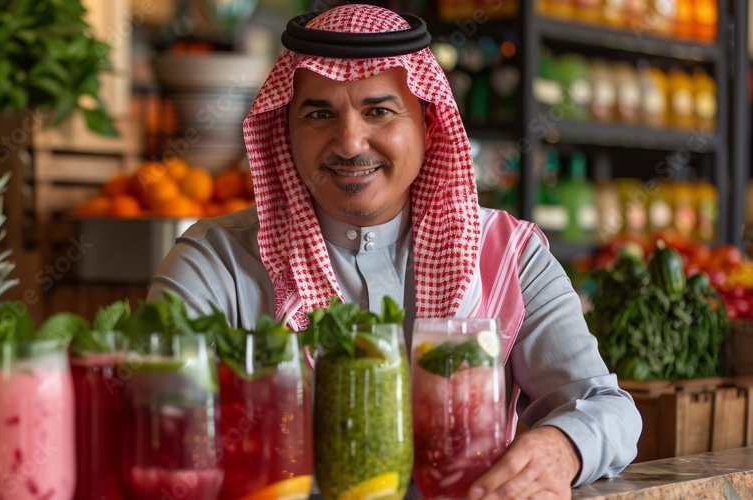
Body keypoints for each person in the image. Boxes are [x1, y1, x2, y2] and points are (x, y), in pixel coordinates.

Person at [148, 4, 642, 498]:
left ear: (428, 126)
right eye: (319, 114)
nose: (348, 142)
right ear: (285, 131)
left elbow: (605, 406)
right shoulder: (213, 262)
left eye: (379, 111)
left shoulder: (511, 254)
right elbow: (157, 422)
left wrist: (562, 448)